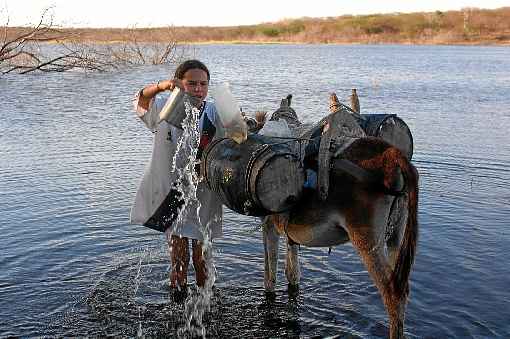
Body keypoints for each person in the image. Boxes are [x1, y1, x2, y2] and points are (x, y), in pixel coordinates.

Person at [130, 59, 223, 294]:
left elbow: (235, 137)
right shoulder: (164, 104)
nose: (198, 89)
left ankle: (206, 305)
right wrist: (162, 86)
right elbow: (141, 99)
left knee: (201, 259)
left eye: (203, 84)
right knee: (179, 259)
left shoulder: (213, 111)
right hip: (174, 191)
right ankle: (177, 304)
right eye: (192, 84)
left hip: (204, 193)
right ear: (179, 83)